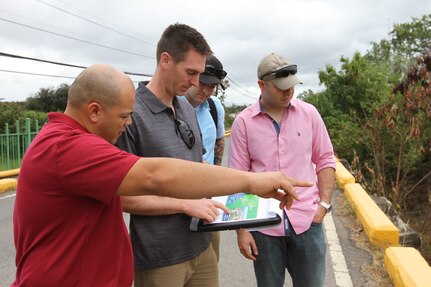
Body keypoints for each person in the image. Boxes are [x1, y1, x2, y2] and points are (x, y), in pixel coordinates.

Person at [12, 63, 310, 287]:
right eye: (123, 115)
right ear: (93, 111)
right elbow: (155, 175)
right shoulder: (68, 147)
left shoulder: (69, 141)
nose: (128, 124)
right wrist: (250, 181)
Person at [116, 23, 225, 287]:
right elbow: (121, 197)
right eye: (190, 72)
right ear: (165, 60)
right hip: (161, 257)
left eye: (199, 74)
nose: (196, 82)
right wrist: (184, 205)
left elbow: (198, 168)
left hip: (202, 245)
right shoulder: (130, 113)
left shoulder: (186, 107)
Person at [228, 53, 336, 287]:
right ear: (262, 85)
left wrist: (324, 205)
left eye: (292, 86)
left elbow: (326, 160)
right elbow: (236, 179)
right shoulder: (244, 123)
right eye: (281, 87)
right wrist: (241, 230)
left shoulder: (309, 115)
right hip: (264, 228)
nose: (288, 92)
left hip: (308, 222)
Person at [183, 55, 227, 261]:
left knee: (208, 261)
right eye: (203, 83)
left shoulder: (214, 106)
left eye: (213, 87)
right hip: (177, 198)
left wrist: (215, 184)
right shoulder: (173, 106)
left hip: (208, 199)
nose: (206, 91)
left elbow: (219, 141)